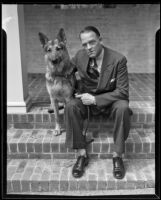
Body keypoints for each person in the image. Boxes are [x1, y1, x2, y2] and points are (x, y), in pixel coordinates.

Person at [64, 26, 133, 179]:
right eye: (84, 44)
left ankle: (117, 156)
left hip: (110, 102)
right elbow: (66, 70)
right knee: (70, 106)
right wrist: (72, 86)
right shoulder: (80, 56)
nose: (88, 47)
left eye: (92, 42)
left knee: (123, 107)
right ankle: (82, 154)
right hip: (87, 102)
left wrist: (96, 99)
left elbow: (123, 92)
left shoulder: (118, 60)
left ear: (100, 40)